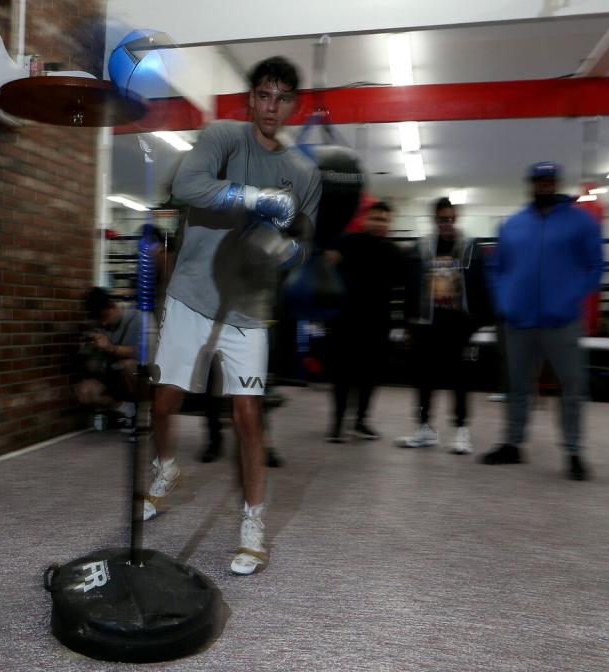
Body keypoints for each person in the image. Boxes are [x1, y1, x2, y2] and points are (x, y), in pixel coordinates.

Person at [146, 56, 321, 576]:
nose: (271, 106)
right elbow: (186, 188)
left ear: (294, 105)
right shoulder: (222, 136)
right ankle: (165, 468)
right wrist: (255, 198)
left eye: (282, 97)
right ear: (250, 99)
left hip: (249, 303)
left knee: (247, 416)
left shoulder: (304, 173)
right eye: (264, 95)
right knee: (163, 401)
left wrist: (281, 249)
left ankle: (253, 522)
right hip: (193, 292)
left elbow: (302, 245)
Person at [480, 162, 603, 480]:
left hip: (561, 321)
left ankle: (574, 452)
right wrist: (504, 301)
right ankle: (513, 444)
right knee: (517, 387)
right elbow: (496, 268)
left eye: (549, 181)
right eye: (538, 181)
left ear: (556, 183)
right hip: (518, 321)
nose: (544, 186)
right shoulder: (513, 224)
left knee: (572, 387)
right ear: (531, 184)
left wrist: (569, 296)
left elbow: (597, 266)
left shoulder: (581, 222)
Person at [396, 197, 479, 454]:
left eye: (451, 218)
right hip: (426, 324)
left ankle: (462, 431)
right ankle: (425, 429)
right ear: (435, 219)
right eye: (443, 218)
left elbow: (478, 284)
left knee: (460, 379)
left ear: (456, 219)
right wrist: (408, 323)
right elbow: (409, 286)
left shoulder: (469, 247)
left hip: (457, 324)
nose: (447, 223)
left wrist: (476, 322)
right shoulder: (421, 248)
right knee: (424, 378)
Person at [325, 201, 404, 442]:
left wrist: (399, 323)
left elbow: (399, 289)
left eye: (384, 219)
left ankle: (360, 421)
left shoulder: (394, 251)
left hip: (378, 323)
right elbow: (327, 263)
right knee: (342, 375)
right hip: (346, 321)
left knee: (371, 375)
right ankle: (337, 425)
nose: (379, 223)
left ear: (389, 224)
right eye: (375, 218)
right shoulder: (348, 241)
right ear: (366, 219)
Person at [74, 287, 141, 430]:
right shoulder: (97, 326)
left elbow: (141, 352)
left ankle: (141, 413)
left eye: (104, 317)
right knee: (84, 391)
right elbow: (91, 369)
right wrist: (88, 350)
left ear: (112, 306)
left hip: (132, 379)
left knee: (129, 366)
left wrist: (110, 347)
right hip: (110, 378)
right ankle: (125, 409)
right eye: (99, 319)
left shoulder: (135, 319)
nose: (103, 323)